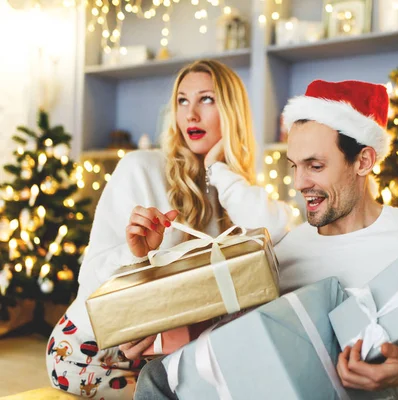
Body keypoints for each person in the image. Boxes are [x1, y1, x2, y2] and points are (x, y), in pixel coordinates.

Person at [135, 79, 398, 399]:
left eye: (316, 166)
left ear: (363, 161)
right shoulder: (284, 254)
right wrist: (149, 294)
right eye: (295, 167)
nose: (300, 183)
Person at [45, 59, 293, 399]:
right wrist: (138, 256)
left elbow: (276, 230)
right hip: (94, 353)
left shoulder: (235, 190)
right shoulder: (141, 168)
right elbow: (89, 278)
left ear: (232, 111)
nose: (190, 114)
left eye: (206, 99)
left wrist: (218, 170)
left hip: (180, 351)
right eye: (182, 101)